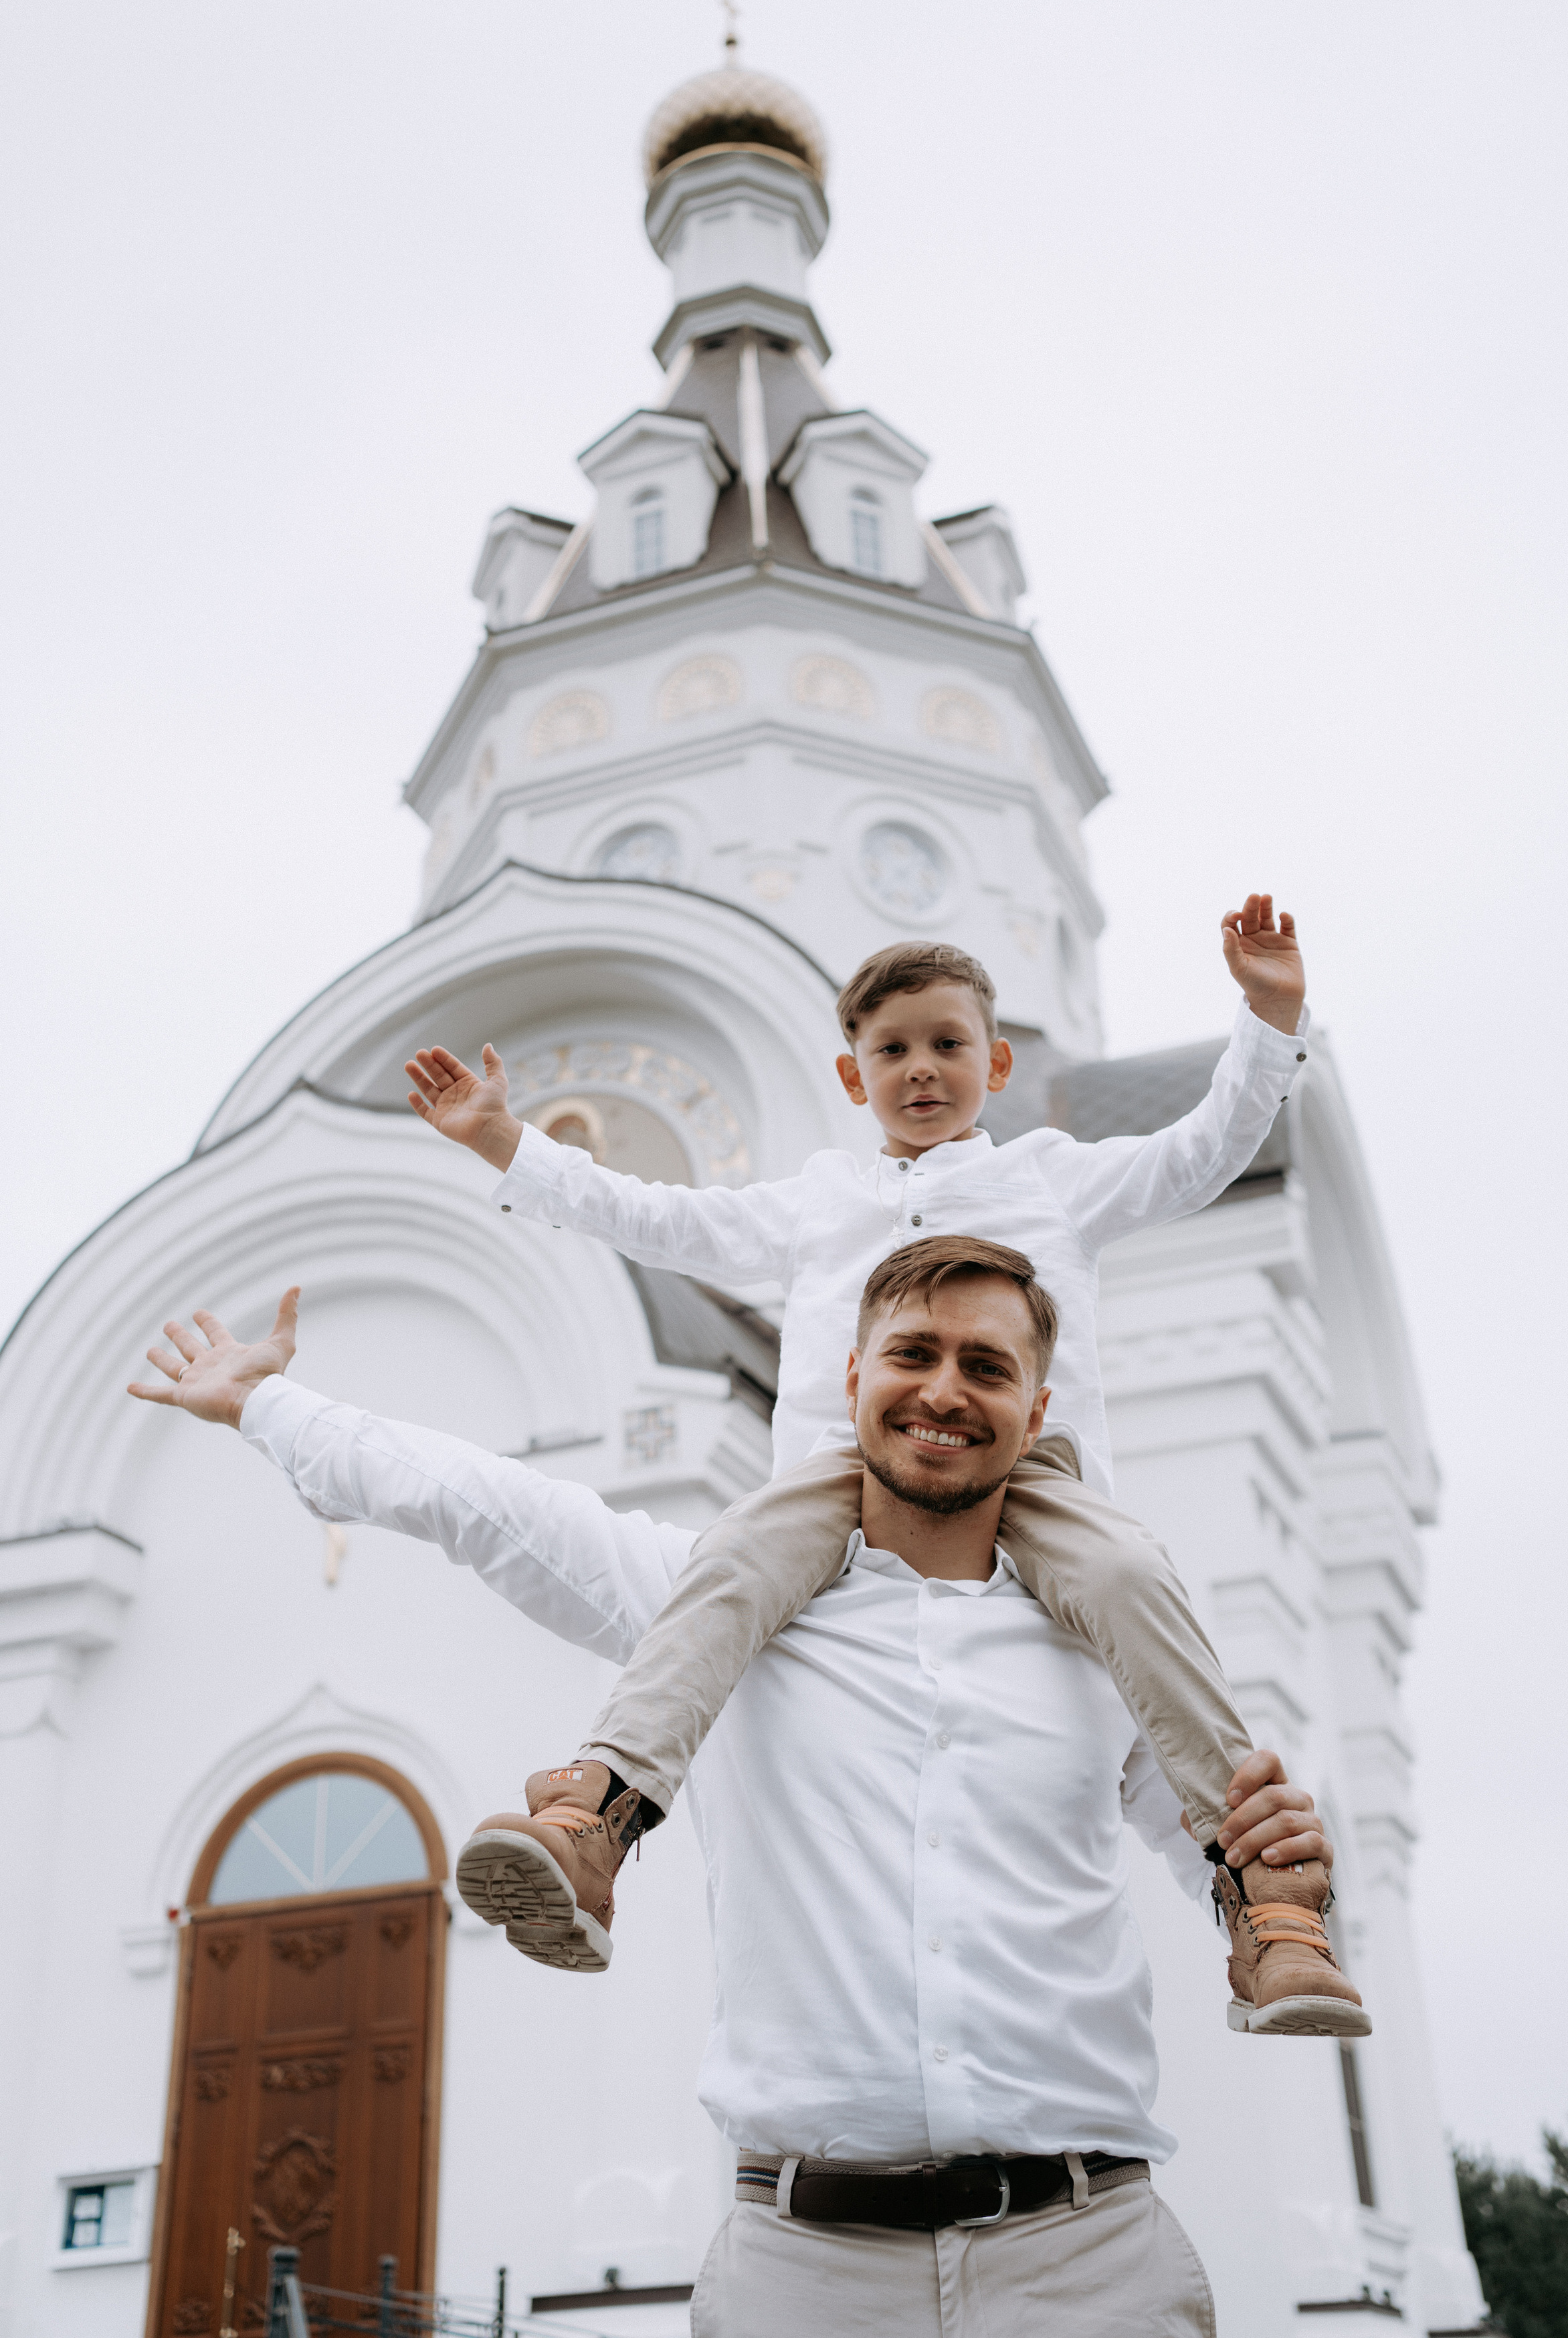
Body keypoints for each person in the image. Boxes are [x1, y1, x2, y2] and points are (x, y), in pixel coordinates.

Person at [131, 1246, 1348, 2336]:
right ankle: (595, 1825)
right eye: (914, 1354)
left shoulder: (1102, 1644)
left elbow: (1206, 1842)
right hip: (803, 2271)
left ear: (1034, 1410)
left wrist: (1273, 1863)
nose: (943, 1391)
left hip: (1084, 2261)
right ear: (853, 1372)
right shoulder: (718, 1600)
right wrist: (269, 1406)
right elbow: (487, 1504)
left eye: (985, 1365)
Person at [401, 904, 1363, 2039]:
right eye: (893, 1050)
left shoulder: (1054, 1179)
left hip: (1028, 1473)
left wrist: (1267, 1018)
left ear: (995, 1062)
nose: (922, 1070)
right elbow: (660, 1218)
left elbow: (1200, 1151)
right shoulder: (820, 1204)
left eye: (948, 1045)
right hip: (839, 1476)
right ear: (854, 1080)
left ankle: (1265, 1905)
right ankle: (600, 1814)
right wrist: (511, 1143)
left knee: (1132, 1583)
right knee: (728, 1570)